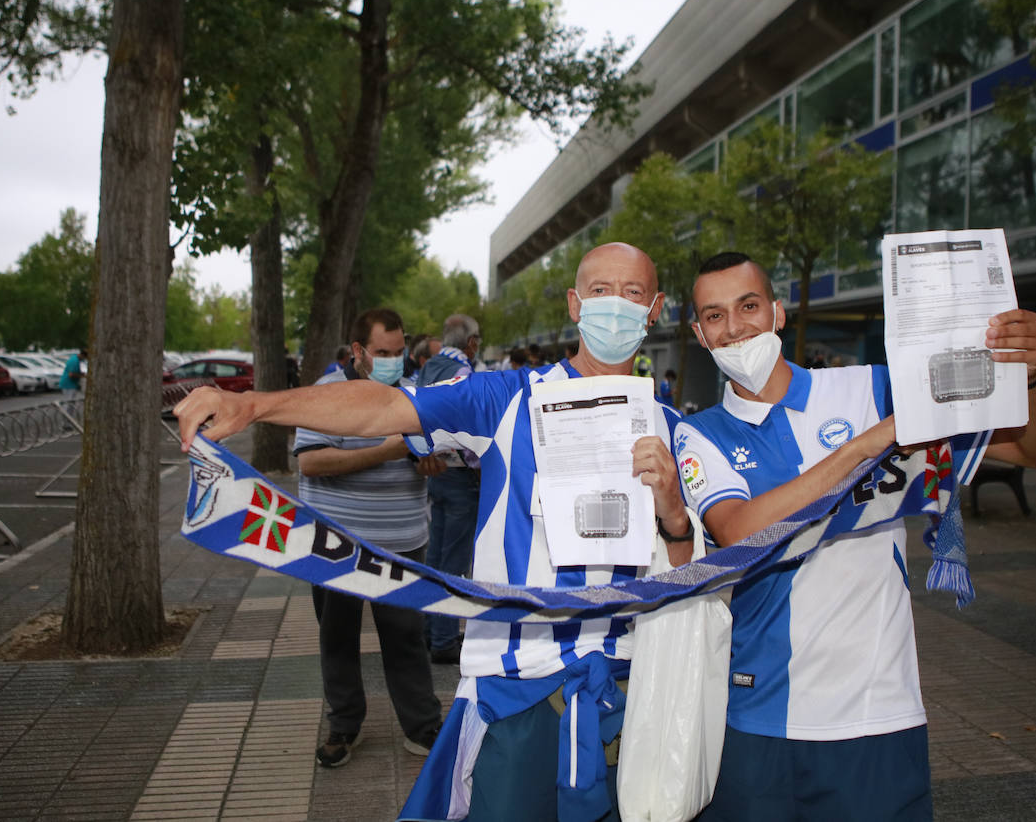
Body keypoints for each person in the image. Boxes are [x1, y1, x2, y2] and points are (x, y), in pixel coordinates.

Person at [175, 242, 693, 821]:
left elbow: (703, 572)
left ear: (655, 310)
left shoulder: (675, 430)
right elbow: (384, 408)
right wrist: (254, 405)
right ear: (575, 304)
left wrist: (674, 515)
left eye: (632, 293)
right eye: (600, 291)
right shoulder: (507, 398)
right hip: (515, 689)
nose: (615, 306)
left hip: (631, 691)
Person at [674, 252, 1036, 821]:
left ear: (779, 313)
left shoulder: (872, 387)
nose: (734, 328)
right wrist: (867, 444)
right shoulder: (699, 432)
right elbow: (739, 532)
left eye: (748, 306)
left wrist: (1028, 377)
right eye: (715, 315)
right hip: (760, 714)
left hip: (879, 708)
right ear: (699, 333)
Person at [294, 308, 445, 767]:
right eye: (383, 352)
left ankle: (423, 727)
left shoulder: (415, 395)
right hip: (335, 542)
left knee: (406, 638)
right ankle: (344, 726)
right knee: (337, 638)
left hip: (402, 540)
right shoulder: (326, 394)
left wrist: (433, 462)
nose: (393, 362)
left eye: (399, 352)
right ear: (358, 350)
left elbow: (437, 456)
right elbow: (311, 462)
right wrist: (386, 451)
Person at [415, 313, 483, 664]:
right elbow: (469, 431)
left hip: (434, 473)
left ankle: (429, 631)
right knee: (455, 561)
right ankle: (444, 639)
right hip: (460, 476)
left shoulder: (429, 367)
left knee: (436, 557)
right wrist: (482, 466)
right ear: (471, 343)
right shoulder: (464, 373)